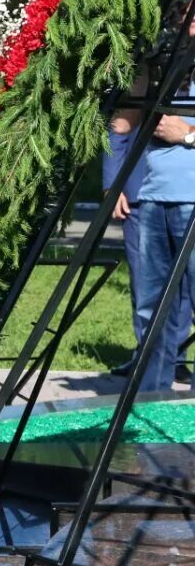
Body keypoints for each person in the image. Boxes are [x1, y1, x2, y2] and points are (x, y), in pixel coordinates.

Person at [104, 120, 192, 382]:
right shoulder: (165, 78)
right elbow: (121, 122)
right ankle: (152, 399)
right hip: (152, 197)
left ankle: (175, 365)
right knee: (153, 304)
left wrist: (187, 135)